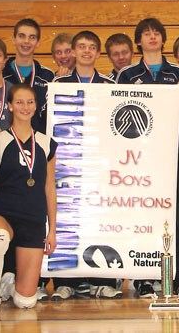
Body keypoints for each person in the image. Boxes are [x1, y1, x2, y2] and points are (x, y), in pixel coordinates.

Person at [116, 18, 179, 298]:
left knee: (176, 219)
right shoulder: (126, 74)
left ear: (163, 38)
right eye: (146, 34)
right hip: (142, 160)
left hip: (174, 157)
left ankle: (175, 277)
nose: (152, 37)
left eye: (157, 33)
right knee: (143, 216)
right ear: (138, 41)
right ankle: (144, 278)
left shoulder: (177, 72)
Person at [48, 31, 122, 300]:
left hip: (100, 162)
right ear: (74, 51)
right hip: (69, 162)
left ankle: (101, 279)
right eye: (82, 47)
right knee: (68, 217)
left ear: (98, 53)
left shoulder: (109, 83)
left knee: (101, 217)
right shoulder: (59, 82)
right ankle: (66, 281)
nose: (87, 51)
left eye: (92, 47)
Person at [0, 84, 58, 316]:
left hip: (33, 218)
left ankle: (9, 285)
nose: (25, 107)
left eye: (30, 102)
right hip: (4, 214)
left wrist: (51, 230)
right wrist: (0, 199)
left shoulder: (46, 143)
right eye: (20, 102)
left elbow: (49, 188)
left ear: (36, 106)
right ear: (10, 106)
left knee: (25, 302)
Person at [2, 19, 55, 132]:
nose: (26, 41)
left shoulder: (47, 76)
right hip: (6, 141)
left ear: (38, 43)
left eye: (32, 37)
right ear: (13, 39)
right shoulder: (1, 73)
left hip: (39, 142)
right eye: (22, 36)